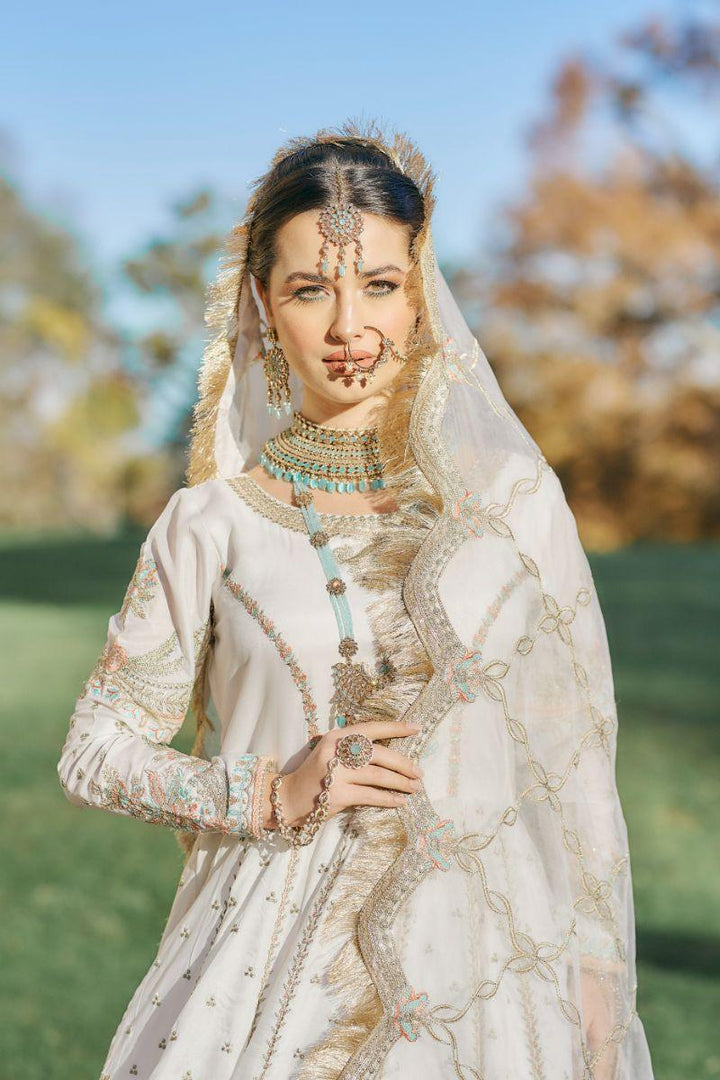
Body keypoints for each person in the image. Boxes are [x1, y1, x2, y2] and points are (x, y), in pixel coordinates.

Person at [56, 119, 655, 1080]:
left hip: (494, 972)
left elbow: (570, 760)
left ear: (420, 294)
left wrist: (592, 975)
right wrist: (271, 792)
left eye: (379, 284)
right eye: (309, 289)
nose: (349, 327)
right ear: (262, 304)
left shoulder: (510, 505)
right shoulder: (209, 525)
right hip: (264, 979)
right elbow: (93, 750)